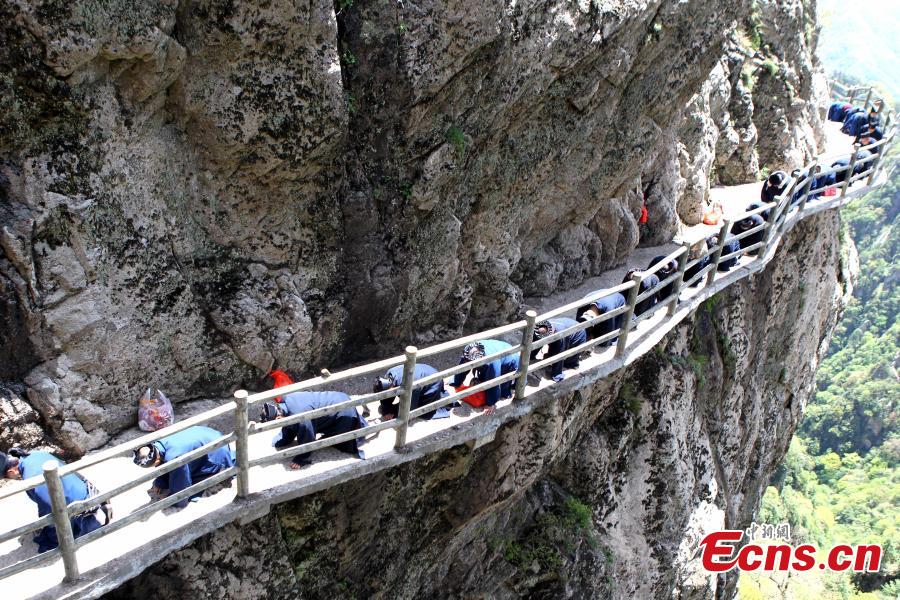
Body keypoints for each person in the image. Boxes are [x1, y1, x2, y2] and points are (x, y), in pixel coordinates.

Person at [1, 448, 109, 553]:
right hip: (89, 492)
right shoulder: (34, 454)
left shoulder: (32, 477)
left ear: (11, 471)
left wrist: (47, 528)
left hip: (81, 508)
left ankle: (90, 520)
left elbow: (50, 508)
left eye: (6, 477)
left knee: (52, 537)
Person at [257, 392, 367, 469]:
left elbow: (308, 436)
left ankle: (366, 426)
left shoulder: (300, 418)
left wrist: (301, 458)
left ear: (278, 418)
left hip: (343, 413)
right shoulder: (287, 400)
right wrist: (283, 440)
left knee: (339, 442)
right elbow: (288, 421)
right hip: (339, 396)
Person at [133, 425, 235, 506]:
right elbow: (163, 460)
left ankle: (222, 469)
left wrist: (173, 499)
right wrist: (160, 482)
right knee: (173, 475)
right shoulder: (159, 444)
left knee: (190, 482)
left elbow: (182, 485)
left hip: (217, 451)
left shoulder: (175, 458)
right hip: (209, 434)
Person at [451, 340, 520, 415]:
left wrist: (490, 404)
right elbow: (463, 368)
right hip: (499, 349)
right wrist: (457, 383)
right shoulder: (468, 353)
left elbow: (494, 383)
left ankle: (507, 391)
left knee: (501, 388)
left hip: (510, 357)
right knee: (485, 378)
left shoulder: (492, 362)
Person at [373, 363, 449, 420]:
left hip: (433, 381)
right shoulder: (389, 374)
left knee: (425, 414)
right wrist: (386, 411)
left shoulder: (409, 385)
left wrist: (395, 414)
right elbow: (386, 396)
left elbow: (410, 407)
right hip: (422, 372)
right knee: (386, 408)